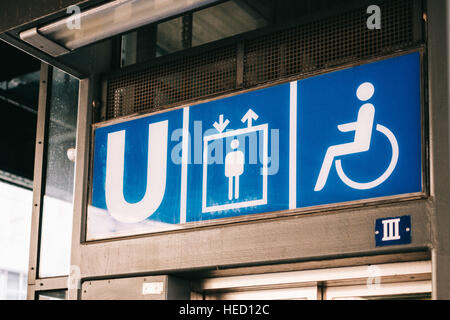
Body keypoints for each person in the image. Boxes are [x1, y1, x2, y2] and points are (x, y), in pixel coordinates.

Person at [314, 82, 376, 191]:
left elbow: (363, 125)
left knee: (331, 150)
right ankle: (320, 184)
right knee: (331, 150)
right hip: (359, 140)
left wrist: (344, 128)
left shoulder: (367, 108)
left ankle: (320, 184)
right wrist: (344, 127)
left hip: (361, 143)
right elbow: (360, 124)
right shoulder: (366, 107)